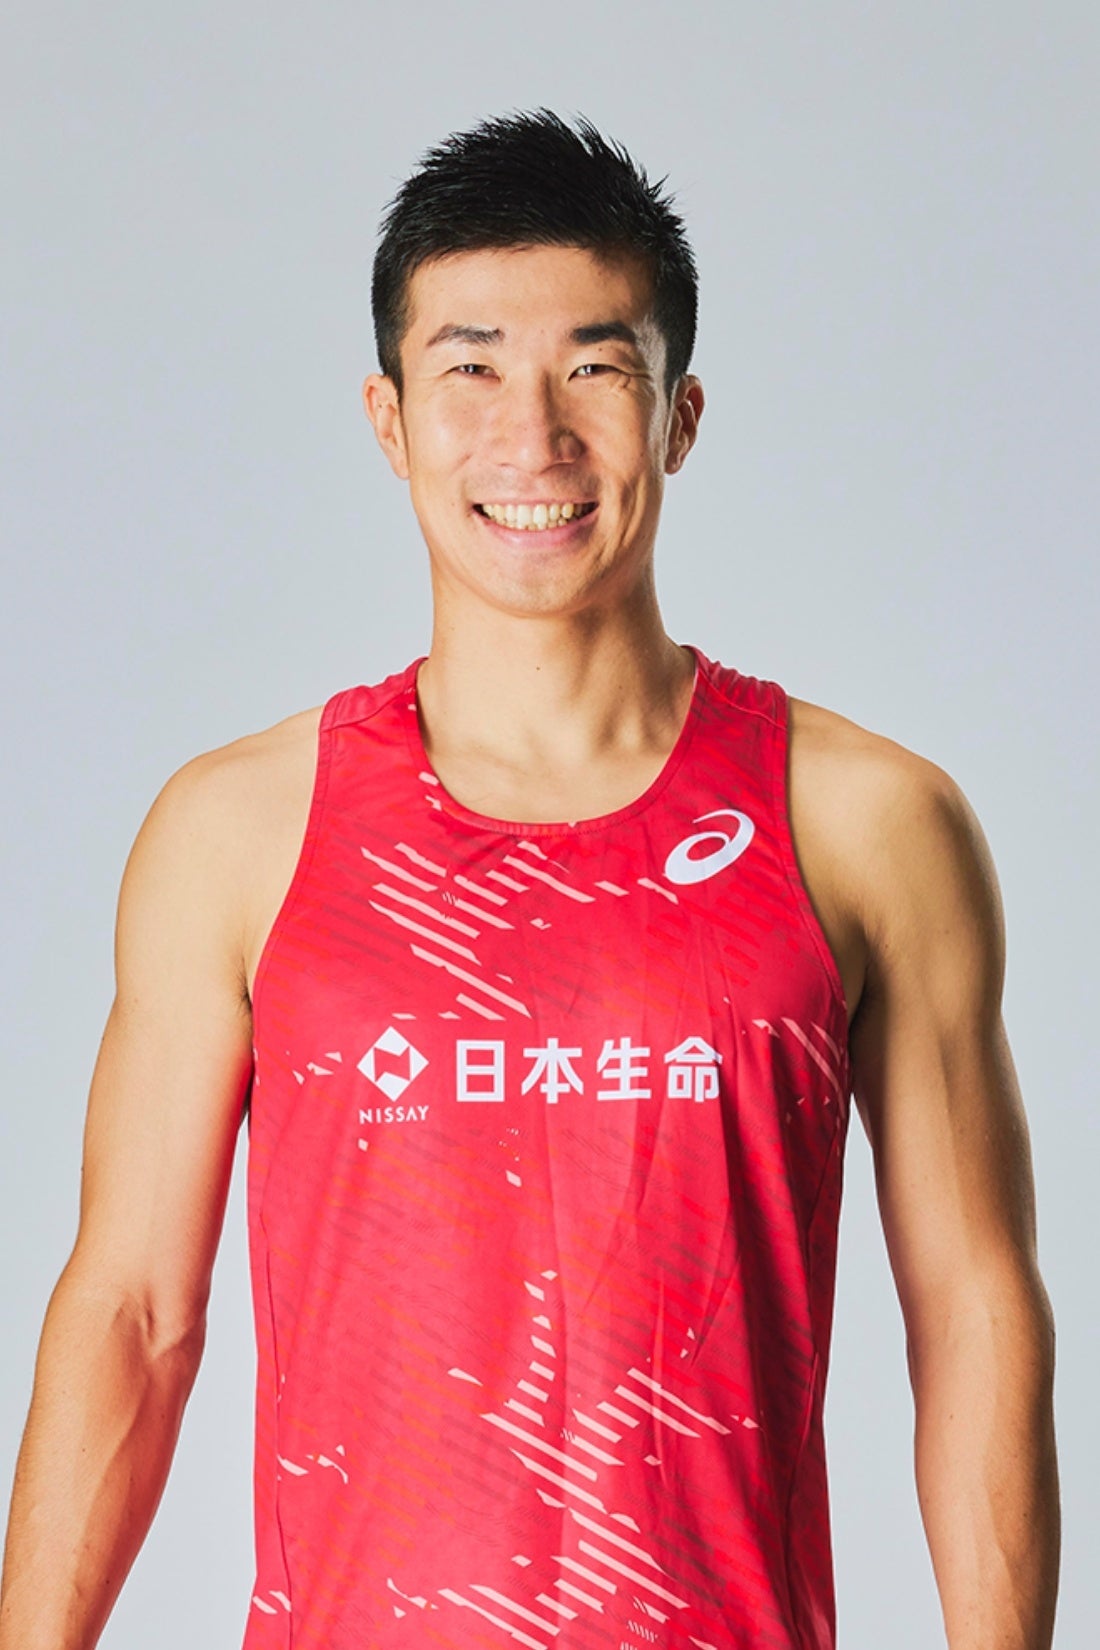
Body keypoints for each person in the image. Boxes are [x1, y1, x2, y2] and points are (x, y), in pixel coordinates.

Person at [0, 110, 1058, 1650]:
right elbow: (134, 1316)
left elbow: (973, 1309)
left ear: (680, 415)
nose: (534, 437)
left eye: (596, 370)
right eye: (473, 369)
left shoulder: (864, 822)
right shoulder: (244, 832)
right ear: (388, 417)